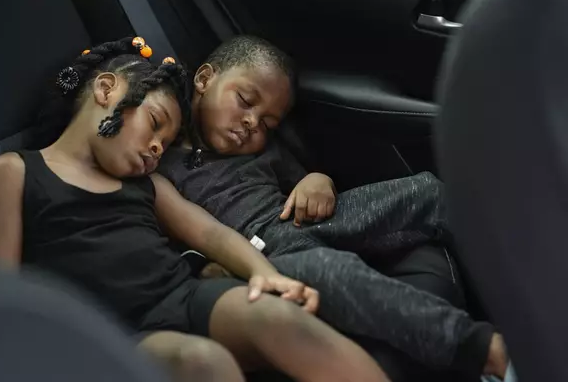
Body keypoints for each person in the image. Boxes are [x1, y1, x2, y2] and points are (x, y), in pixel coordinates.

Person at [0, 37, 388, 382]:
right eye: (155, 123)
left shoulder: (147, 184)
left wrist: (266, 274)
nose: (158, 148)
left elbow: (211, 234)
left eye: (167, 141)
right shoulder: (17, 171)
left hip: (185, 295)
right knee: (203, 362)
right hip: (121, 329)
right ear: (106, 90)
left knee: (279, 317)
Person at [157, 35, 509, 380]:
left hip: (302, 220)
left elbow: (306, 181)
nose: (253, 123)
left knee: (428, 191)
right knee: (332, 270)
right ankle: (485, 352)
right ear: (204, 79)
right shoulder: (159, 161)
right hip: (261, 257)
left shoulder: (264, 153)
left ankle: (534, 268)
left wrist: (317, 180)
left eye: (267, 124)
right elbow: (172, 235)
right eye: (246, 101)